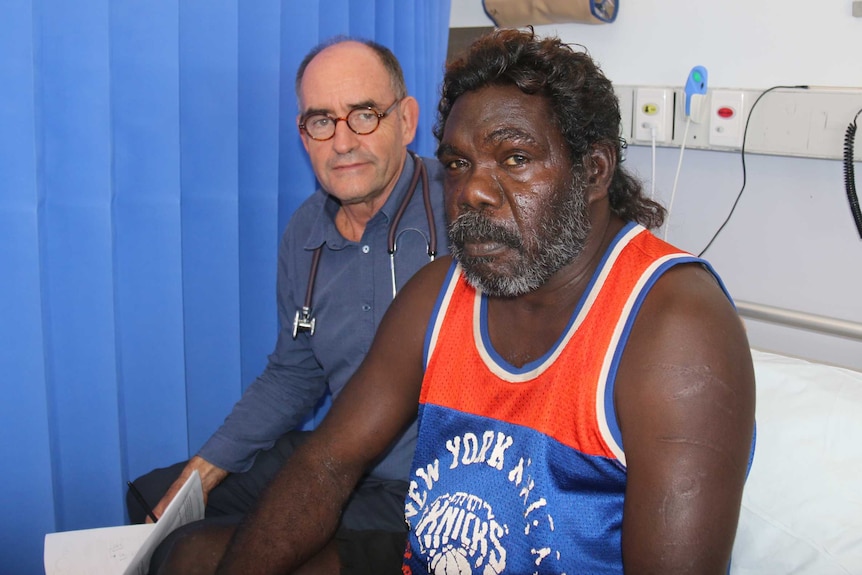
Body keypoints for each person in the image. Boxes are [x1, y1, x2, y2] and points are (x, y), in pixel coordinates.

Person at [211, 28, 756, 574]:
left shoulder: (674, 325)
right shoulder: (439, 294)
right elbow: (326, 466)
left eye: (515, 158)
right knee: (192, 555)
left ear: (593, 171)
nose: (473, 190)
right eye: (457, 164)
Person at [128, 36, 448, 574]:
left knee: (197, 554)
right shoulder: (306, 233)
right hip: (335, 460)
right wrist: (203, 472)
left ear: (407, 120)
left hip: (427, 483)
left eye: (364, 115)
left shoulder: (460, 206)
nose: (342, 141)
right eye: (321, 120)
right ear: (304, 135)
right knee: (155, 504)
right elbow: (294, 374)